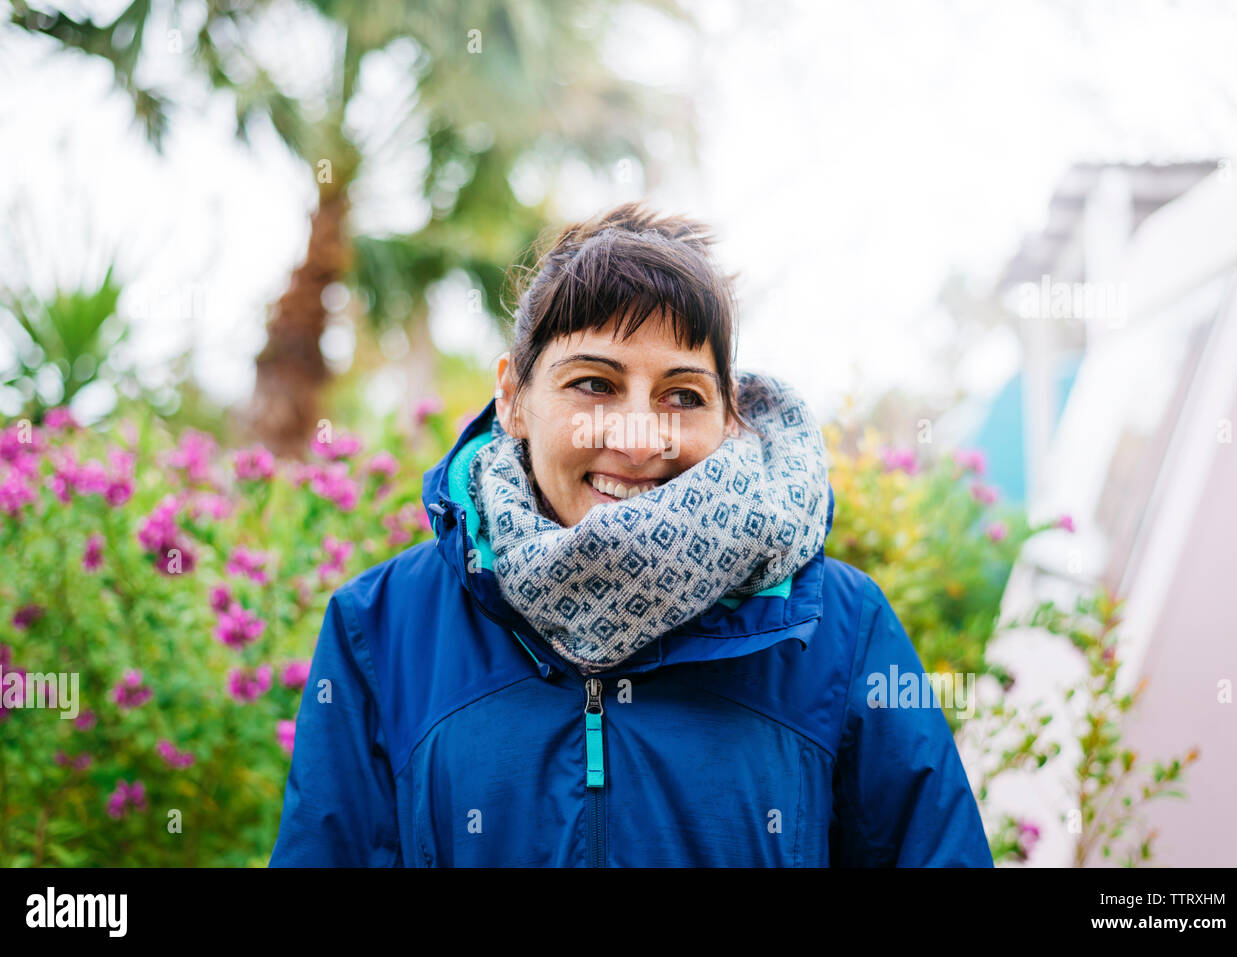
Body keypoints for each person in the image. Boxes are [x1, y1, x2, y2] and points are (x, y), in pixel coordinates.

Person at [269, 201, 993, 867]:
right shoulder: (382, 630)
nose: (640, 437)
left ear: (729, 417)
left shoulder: (841, 628)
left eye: (682, 395)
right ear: (513, 397)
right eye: (594, 383)